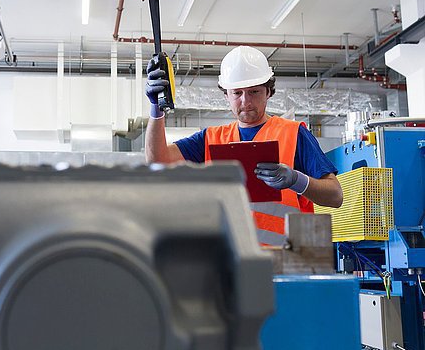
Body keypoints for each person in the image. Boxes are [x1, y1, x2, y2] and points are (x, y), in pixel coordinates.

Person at [144, 45, 343, 245]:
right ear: (226, 95)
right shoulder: (210, 139)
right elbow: (157, 161)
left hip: (287, 264)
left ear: (268, 92)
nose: (245, 101)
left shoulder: (294, 134)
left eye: (254, 92)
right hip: (230, 264)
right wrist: (156, 109)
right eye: (237, 93)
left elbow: (335, 196)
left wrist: (295, 180)